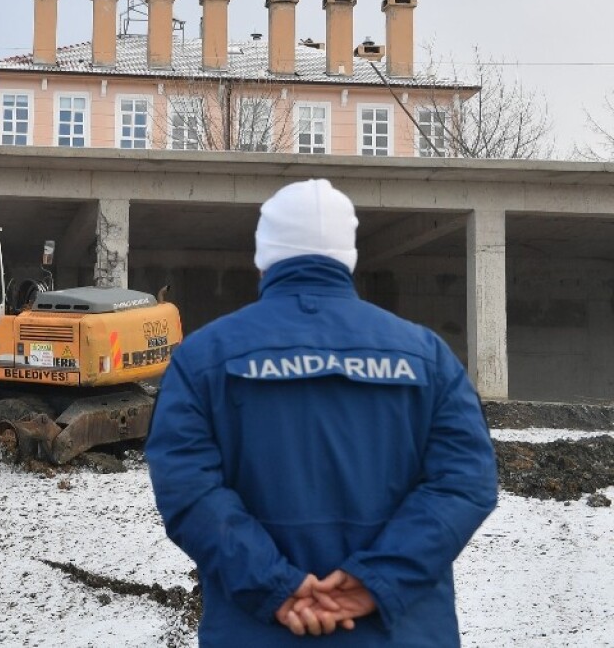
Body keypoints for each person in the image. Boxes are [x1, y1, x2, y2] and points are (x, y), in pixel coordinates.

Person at [145, 179, 498, 645]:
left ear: (264, 256)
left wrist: (276, 585)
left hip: (259, 630)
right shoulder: (426, 355)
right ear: (347, 256)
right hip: (401, 631)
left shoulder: (203, 357)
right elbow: (464, 482)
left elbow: (188, 490)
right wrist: (376, 581)